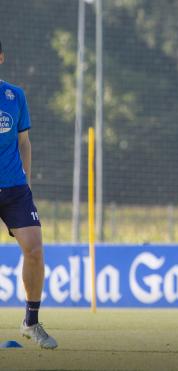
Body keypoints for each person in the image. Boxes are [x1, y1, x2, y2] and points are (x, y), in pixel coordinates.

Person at [0, 40, 57, 349]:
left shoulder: (14, 95)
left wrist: (27, 181)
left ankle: (30, 323)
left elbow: (24, 142)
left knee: (34, 250)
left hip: (15, 189)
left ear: (1, 57)